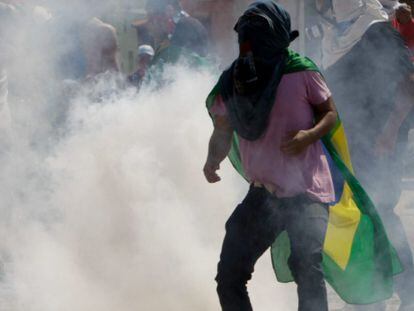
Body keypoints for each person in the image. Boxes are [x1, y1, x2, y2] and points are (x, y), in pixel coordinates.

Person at [204, 2, 339, 310]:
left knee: (307, 268)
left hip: (308, 191)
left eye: (259, 36)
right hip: (264, 195)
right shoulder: (234, 81)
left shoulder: (301, 71)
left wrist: (309, 136)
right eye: (247, 37)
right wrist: (213, 159)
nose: (251, 44)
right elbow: (223, 130)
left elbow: (329, 113)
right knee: (229, 275)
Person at [310, 0, 414, 310]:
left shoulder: (376, 31)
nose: (322, 5)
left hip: (380, 145)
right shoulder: (337, 39)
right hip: (353, 145)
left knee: (381, 213)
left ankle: (409, 294)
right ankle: (372, 299)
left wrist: (388, 133)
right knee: (362, 218)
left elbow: (408, 86)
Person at [144, 0, 208, 63]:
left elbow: (173, 58)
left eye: (152, 16)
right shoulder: (187, 23)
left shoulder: (184, 26)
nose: (151, 22)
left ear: (168, 10)